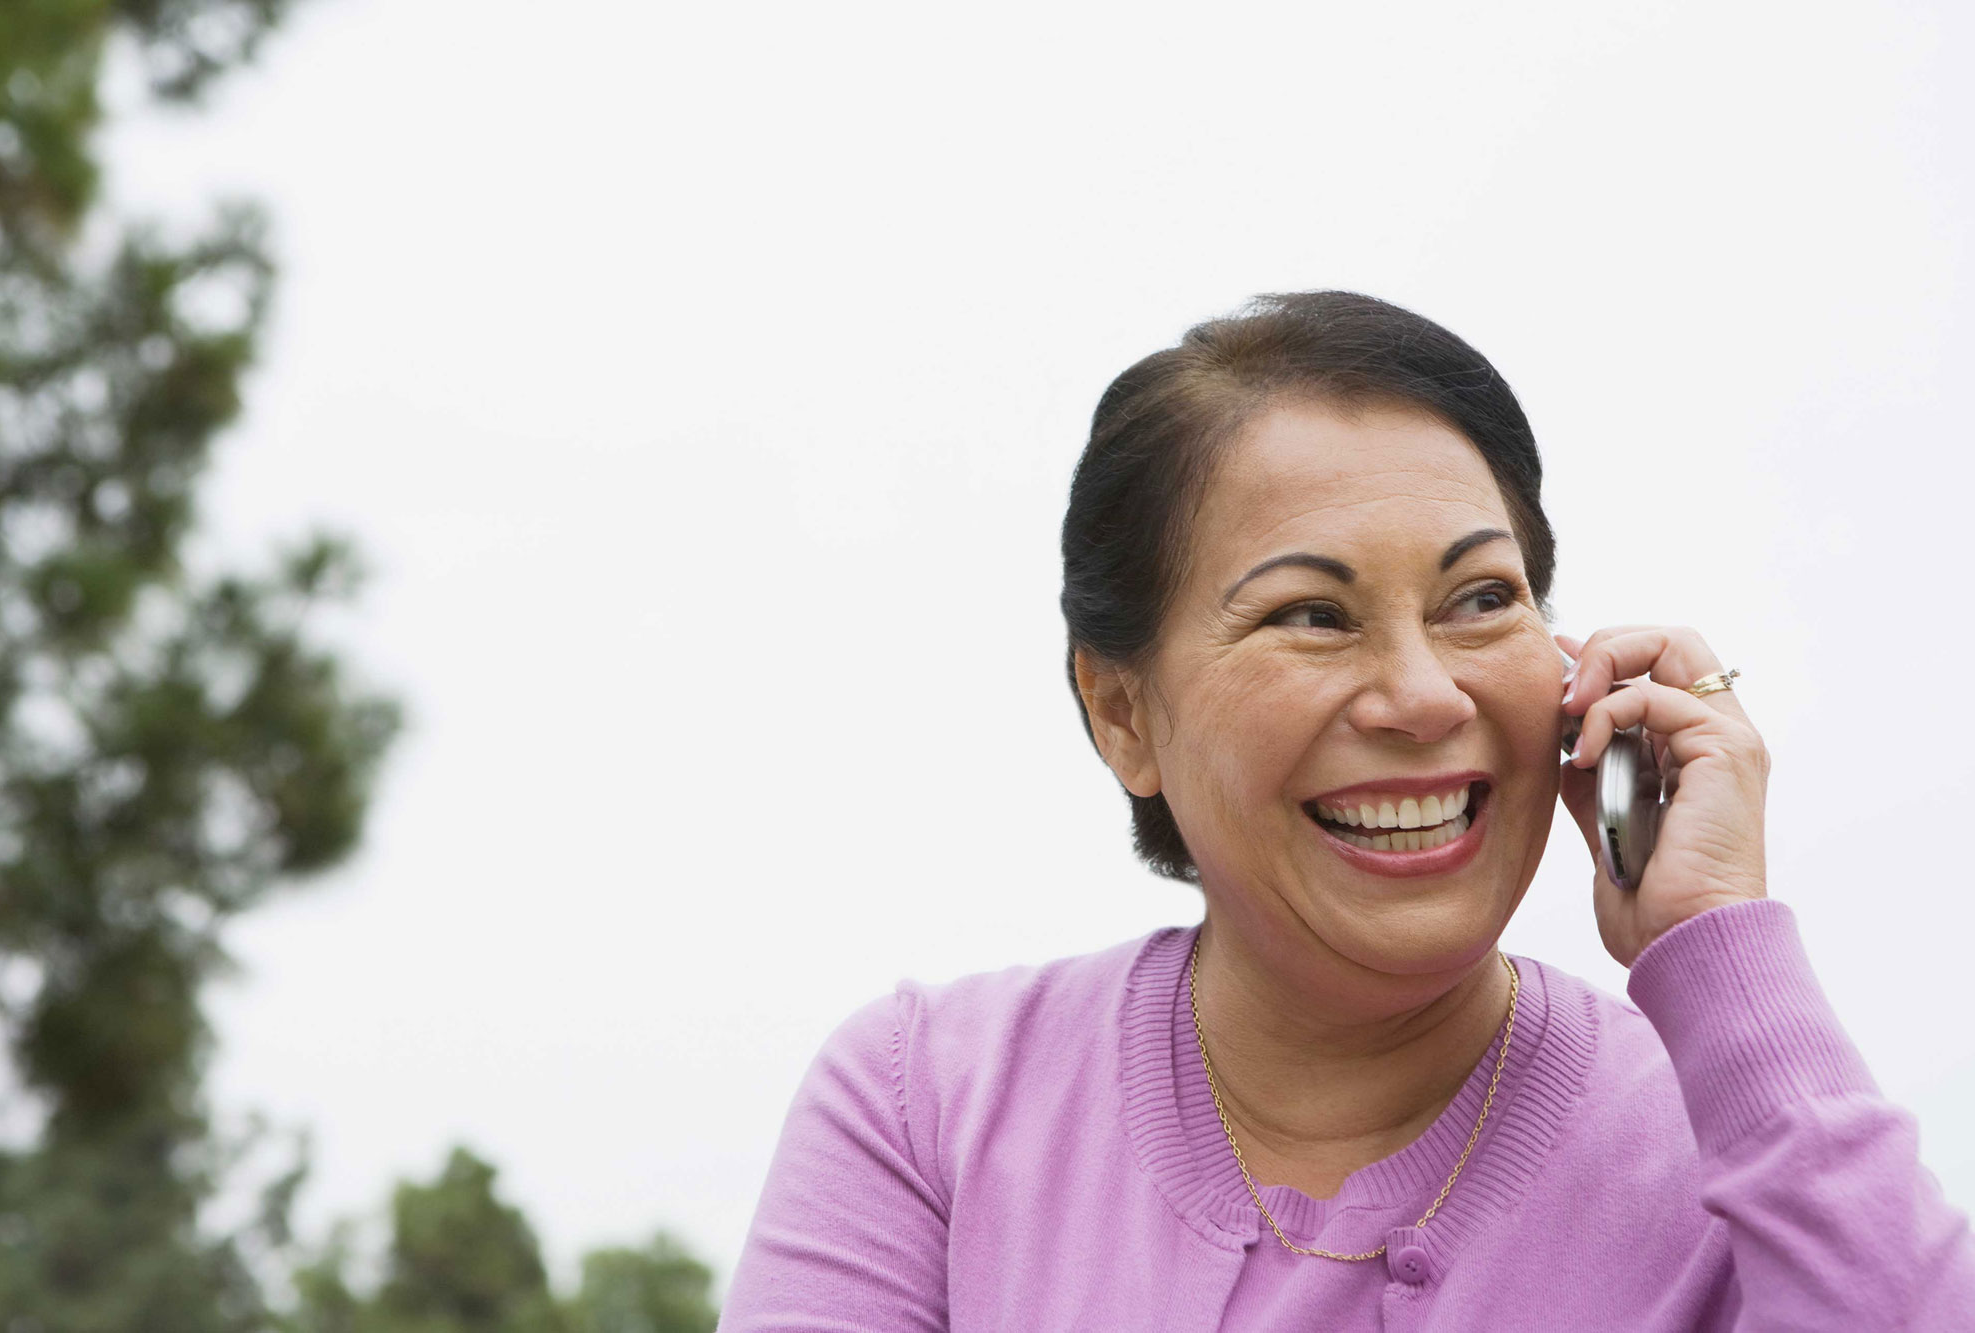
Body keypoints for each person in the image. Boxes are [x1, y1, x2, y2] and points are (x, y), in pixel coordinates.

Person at [716, 292, 1975, 1330]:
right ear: (1121, 711)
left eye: (1480, 600)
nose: (1423, 697)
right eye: (1310, 615)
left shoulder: (1736, 1151)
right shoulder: (930, 1104)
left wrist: (1715, 944)